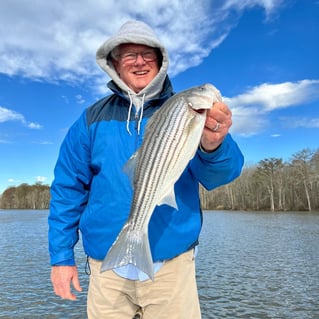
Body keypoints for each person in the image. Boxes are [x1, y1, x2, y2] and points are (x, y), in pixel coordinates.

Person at [48, 20, 244, 319]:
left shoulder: (188, 112)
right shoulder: (91, 120)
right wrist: (61, 257)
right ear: (114, 63)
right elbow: (67, 190)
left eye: (147, 54)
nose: (139, 61)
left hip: (171, 266)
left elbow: (220, 177)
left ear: (160, 60)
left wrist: (214, 146)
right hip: (106, 268)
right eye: (129, 54)